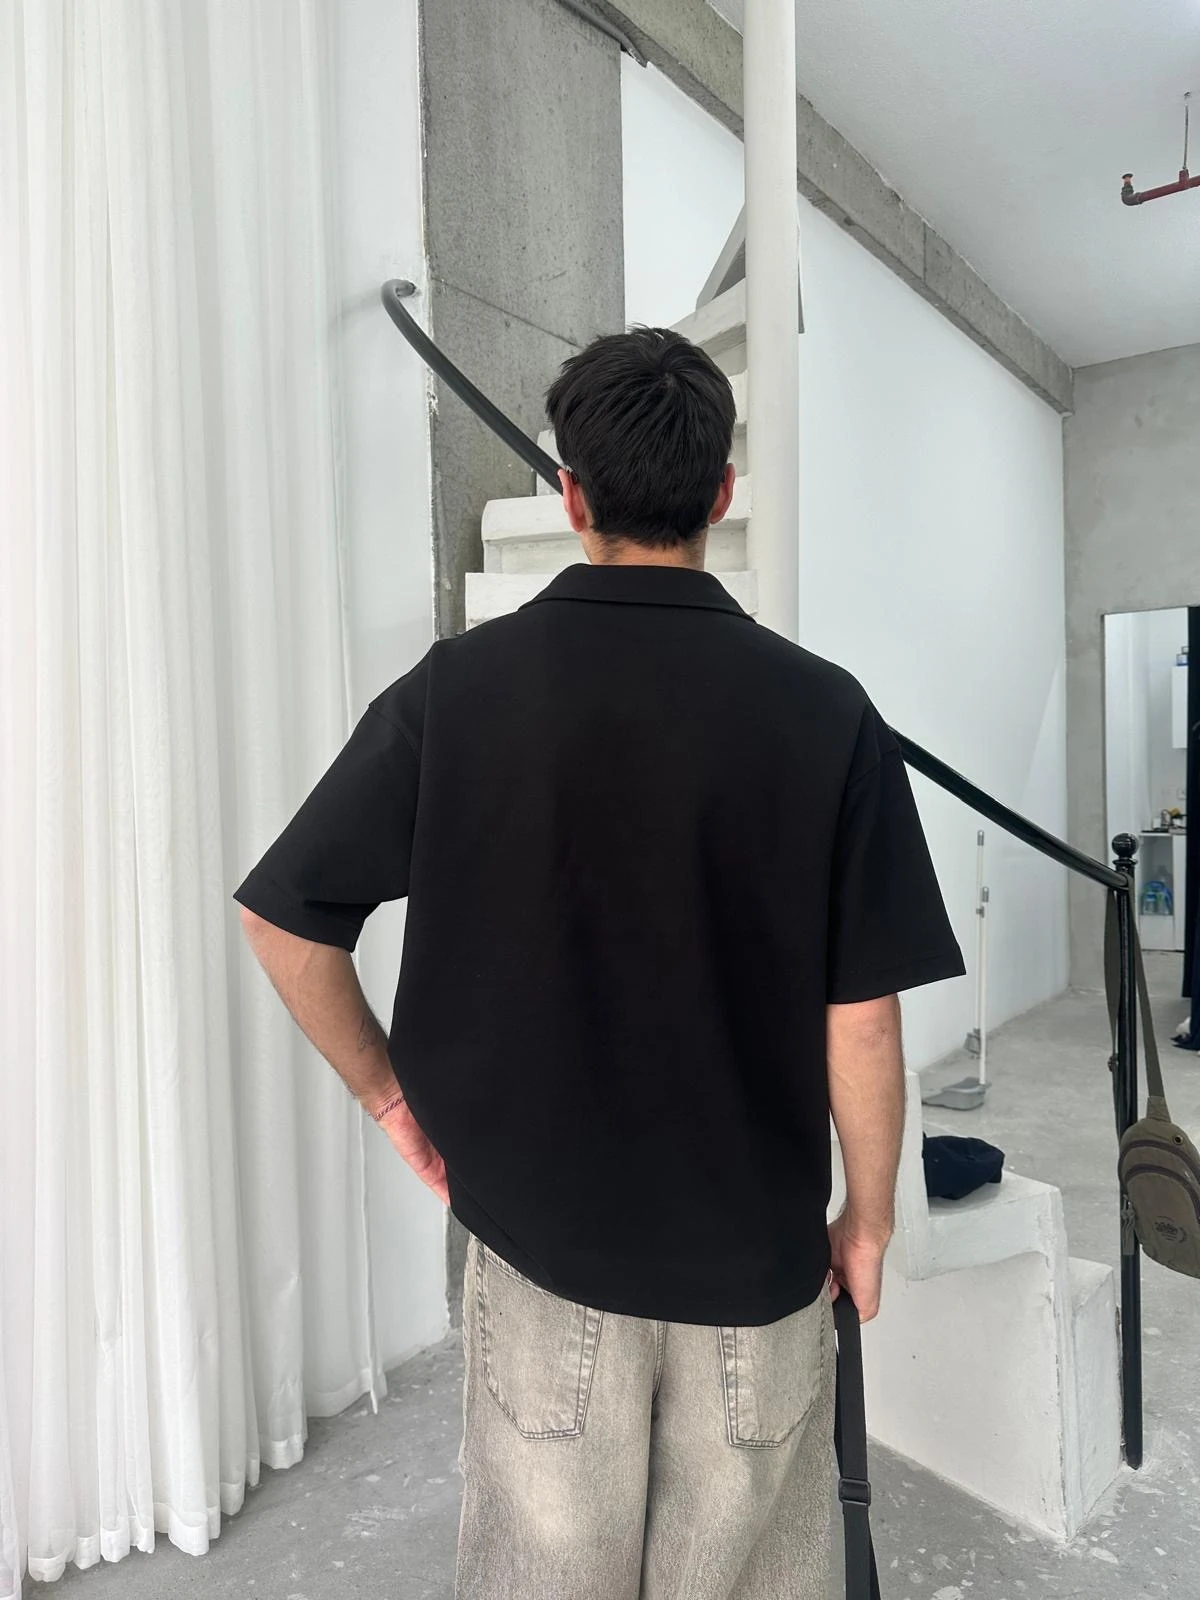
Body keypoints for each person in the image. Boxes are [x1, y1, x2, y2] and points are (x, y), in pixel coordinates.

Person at [234, 327, 966, 1599]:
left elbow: (285, 919)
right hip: (754, 1266)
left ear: (571, 497)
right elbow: (862, 1016)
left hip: (541, 1256)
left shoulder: (457, 693)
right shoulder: (827, 710)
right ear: (721, 495)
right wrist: (871, 1219)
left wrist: (391, 1099)